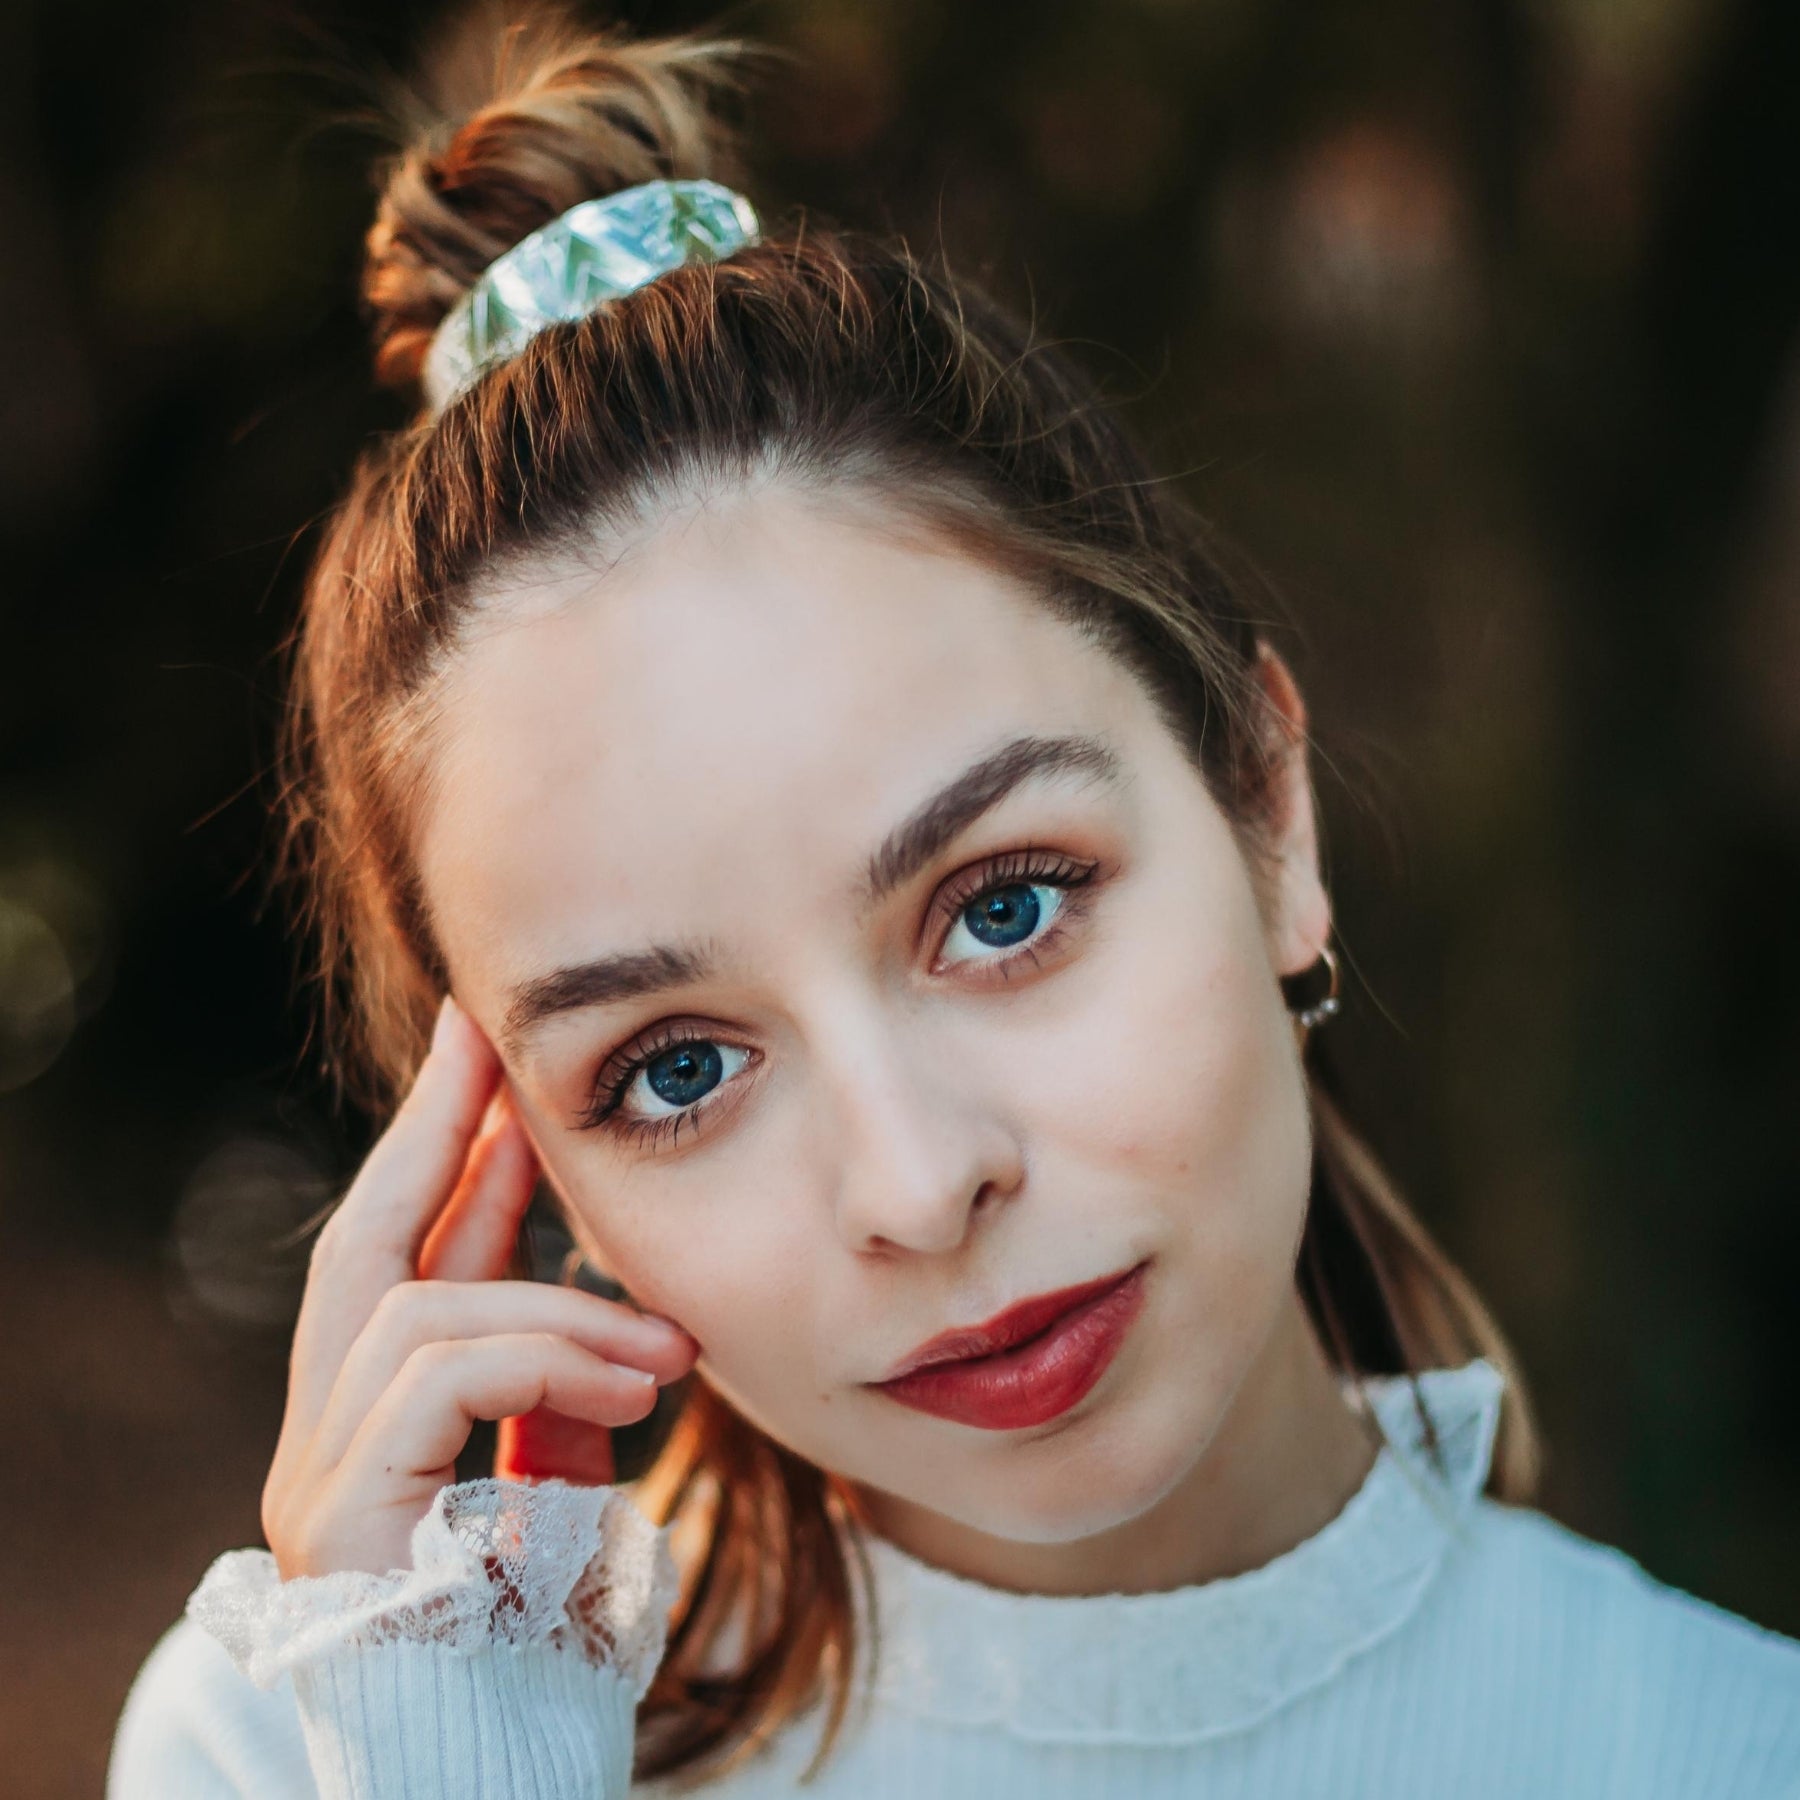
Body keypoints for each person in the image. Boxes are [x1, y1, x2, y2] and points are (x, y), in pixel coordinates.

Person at [107, 6, 1800, 1796]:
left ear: (1267, 815)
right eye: (675, 1070)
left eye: (1004, 909)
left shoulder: (1727, 1752)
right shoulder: (290, 1749)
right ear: (527, 1170)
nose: (918, 1187)